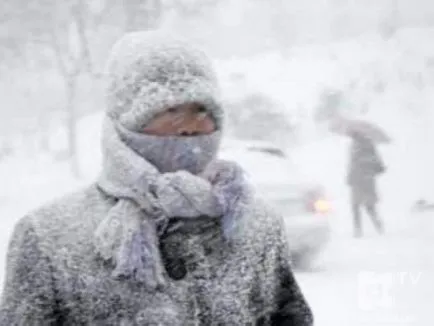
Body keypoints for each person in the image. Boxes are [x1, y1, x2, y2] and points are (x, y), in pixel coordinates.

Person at [0, 31, 313, 325]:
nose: (189, 127)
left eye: (202, 110)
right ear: (125, 120)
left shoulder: (257, 226)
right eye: (170, 110)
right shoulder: (48, 237)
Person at [347, 131, 386, 238]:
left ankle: (358, 229)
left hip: (358, 179)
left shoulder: (357, 147)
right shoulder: (369, 146)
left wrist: (349, 178)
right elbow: (378, 162)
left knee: (356, 206)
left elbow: (352, 164)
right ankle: (377, 225)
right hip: (367, 179)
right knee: (368, 205)